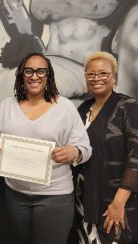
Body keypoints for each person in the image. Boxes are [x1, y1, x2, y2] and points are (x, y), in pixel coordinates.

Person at [0, 52, 92, 244]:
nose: (34, 76)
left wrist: (74, 152)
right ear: (21, 75)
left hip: (54, 197)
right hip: (15, 195)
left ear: (48, 75)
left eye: (41, 71)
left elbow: (85, 148)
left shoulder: (65, 107)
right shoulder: (6, 106)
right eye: (29, 71)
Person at [73, 51, 138, 244]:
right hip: (83, 201)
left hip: (118, 203)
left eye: (103, 73)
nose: (96, 78)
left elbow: (136, 157)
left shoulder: (129, 106)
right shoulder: (82, 109)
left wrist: (118, 203)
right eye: (91, 74)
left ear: (114, 76)